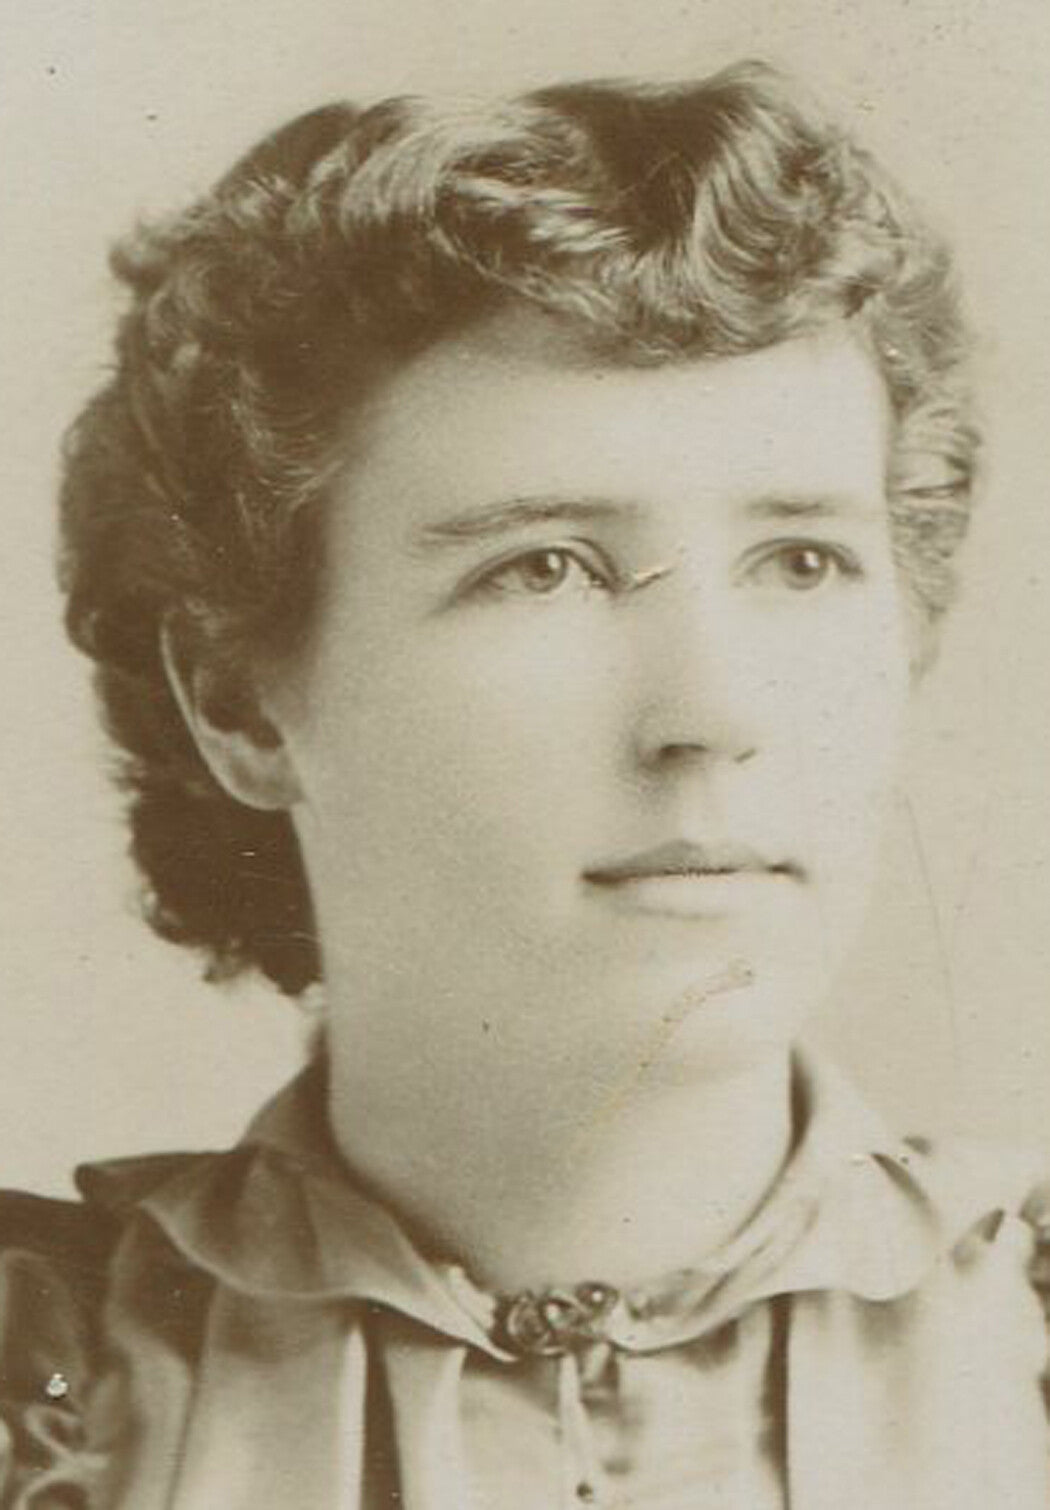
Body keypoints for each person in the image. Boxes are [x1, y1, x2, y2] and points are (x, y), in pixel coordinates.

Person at [1, 59, 1047, 1509]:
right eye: (541, 566)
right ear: (241, 699)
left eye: (800, 559)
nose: (714, 712)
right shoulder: (43, 1394)